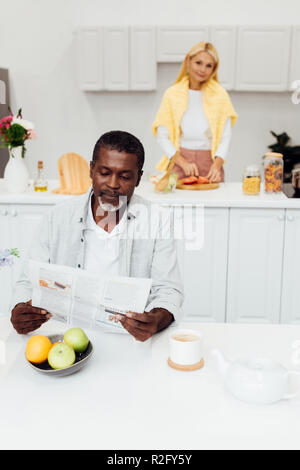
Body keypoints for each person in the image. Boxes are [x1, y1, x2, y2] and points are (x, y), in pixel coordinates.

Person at [10, 131, 183, 341]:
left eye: (125, 176)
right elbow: (27, 282)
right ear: (91, 170)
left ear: (138, 179)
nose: (113, 184)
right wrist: (20, 310)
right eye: (104, 172)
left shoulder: (157, 221)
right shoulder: (58, 217)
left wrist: (156, 320)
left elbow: (169, 291)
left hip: (129, 339)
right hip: (65, 336)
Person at [152, 41, 238, 182]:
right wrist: (183, 162)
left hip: (210, 164)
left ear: (214, 69)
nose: (202, 69)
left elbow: (225, 137)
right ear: (188, 61)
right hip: (179, 162)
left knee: (214, 201)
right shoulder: (172, 94)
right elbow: (162, 136)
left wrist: (217, 165)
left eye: (208, 65)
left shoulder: (220, 95)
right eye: (198, 62)